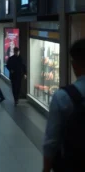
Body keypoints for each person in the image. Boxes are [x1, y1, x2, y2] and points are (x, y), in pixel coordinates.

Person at [43, 39, 85, 171]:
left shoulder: (63, 97)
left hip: (73, 163)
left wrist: (46, 169)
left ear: (74, 65)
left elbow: (51, 141)